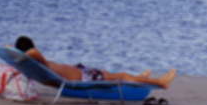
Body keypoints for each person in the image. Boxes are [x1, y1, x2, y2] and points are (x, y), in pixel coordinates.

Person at [14, 35, 176, 89]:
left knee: (112, 74)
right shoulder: (39, 60)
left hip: (83, 73)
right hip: (85, 77)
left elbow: (31, 52)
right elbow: (34, 52)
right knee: (123, 76)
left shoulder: (35, 65)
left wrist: (15, 52)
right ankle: (161, 82)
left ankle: (141, 77)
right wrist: (27, 52)